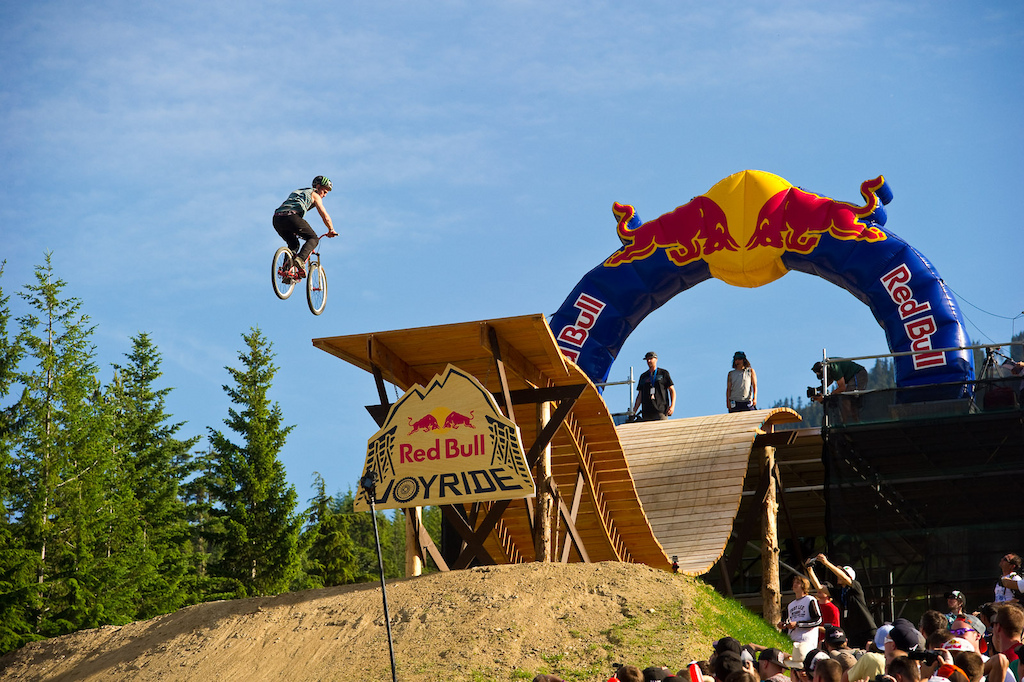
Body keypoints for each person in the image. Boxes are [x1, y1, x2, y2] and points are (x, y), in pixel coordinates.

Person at [807, 554, 877, 650]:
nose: (838, 576)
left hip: (866, 629)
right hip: (852, 632)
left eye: (842, 573)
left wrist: (826, 563)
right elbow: (819, 587)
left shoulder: (856, 587)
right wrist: (809, 570)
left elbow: (844, 578)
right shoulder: (840, 592)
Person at [273, 176, 337, 279]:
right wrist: (331, 229)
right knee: (313, 239)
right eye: (324, 192)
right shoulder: (315, 195)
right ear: (318, 186)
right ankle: (301, 260)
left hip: (277, 219)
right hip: (291, 217)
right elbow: (325, 215)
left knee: (293, 244)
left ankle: (286, 273)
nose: (324, 195)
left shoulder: (299, 192)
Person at [781, 575, 823, 663]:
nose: (794, 584)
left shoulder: (810, 600)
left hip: (807, 641)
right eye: (794, 583)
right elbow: (790, 620)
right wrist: (784, 625)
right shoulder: (790, 605)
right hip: (792, 641)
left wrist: (798, 624)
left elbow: (818, 620)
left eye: (798, 583)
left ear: (804, 585)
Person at [633, 352, 676, 421]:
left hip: (661, 410)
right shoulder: (643, 376)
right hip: (647, 412)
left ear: (656, 359)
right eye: (647, 360)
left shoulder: (663, 373)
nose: (649, 361)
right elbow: (639, 396)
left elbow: (672, 390)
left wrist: (672, 406)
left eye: (650, 359)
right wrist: (634, 411)